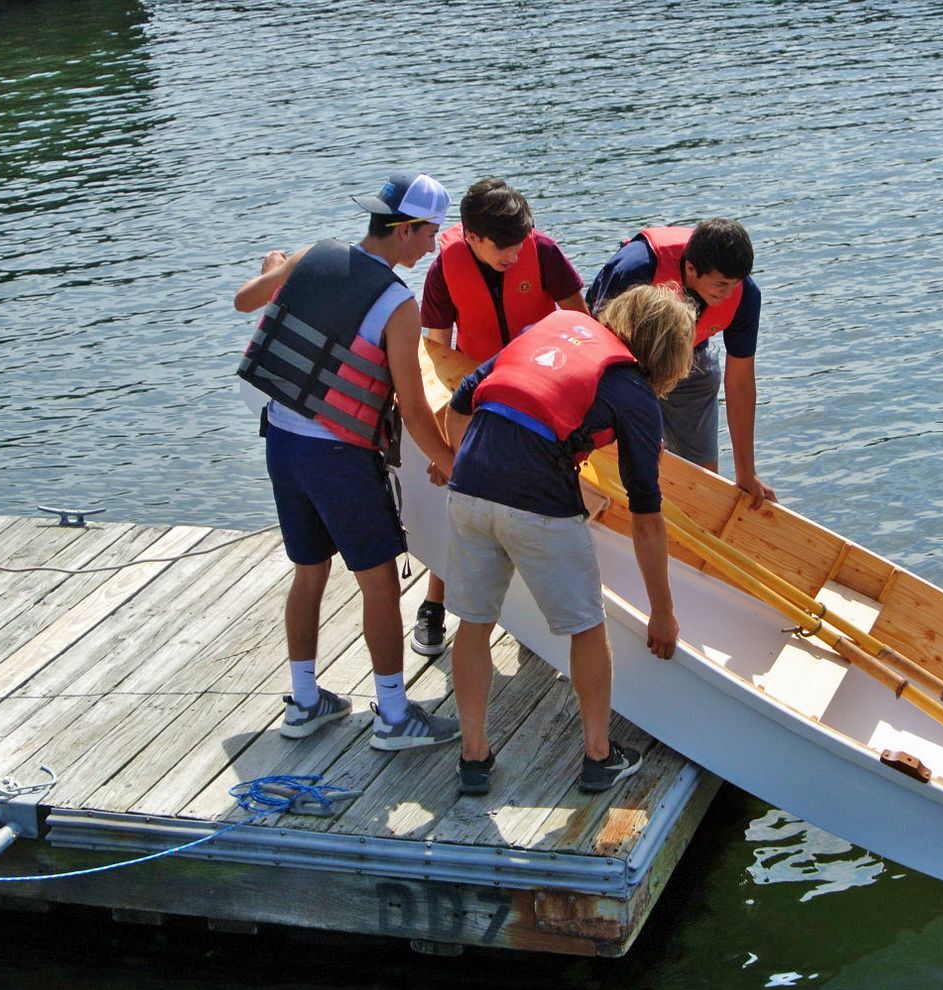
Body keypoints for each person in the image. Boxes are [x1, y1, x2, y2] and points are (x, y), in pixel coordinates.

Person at [233, 171, 460, 752]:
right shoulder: (397, 304)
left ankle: (306, 703)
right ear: (405, 230)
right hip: (337, 456)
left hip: (282, 441)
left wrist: (277, 265)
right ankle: (392, 715)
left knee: (309, 571)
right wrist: (455, 465)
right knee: (380, 582)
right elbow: (412, 408)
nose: (433, 247)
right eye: (430, 234)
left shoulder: (314, 255)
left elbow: (245, 300)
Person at [440, 284, 696, 796]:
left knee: (473, 622)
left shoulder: (548, 328)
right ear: (668, 354)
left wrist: (462, 463)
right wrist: (662, 612)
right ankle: (599, 756)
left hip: (468, 487)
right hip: (539, 505)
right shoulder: (634, 393)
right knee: (585, 627)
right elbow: (646, 514)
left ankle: (474, 757)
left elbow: (460, 404)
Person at [411, 177, 589, 659]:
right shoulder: (444, 271)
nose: (514, 255)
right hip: (477, 400)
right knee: (461, 496)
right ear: (471, 236)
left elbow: (581, 326)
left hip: (539, 399)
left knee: (535, 509)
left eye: (519, 244)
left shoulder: (544, 253)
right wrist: (445, 443)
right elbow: (434, 357)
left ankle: (532, 620)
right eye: (502, 248)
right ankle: (434, 603)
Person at [585, 218, 776, 505]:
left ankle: (697, 513)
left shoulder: (746, 295)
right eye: (721, 285)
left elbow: (740, 383)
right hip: (622, 363)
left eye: (734, 285)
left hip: (690, 360)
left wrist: (746, 472)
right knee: (635, 453)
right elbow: (594, 347)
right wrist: (637, 423)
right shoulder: (635, 268)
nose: (727, 295)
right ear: (690, 268)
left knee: (703, 479)